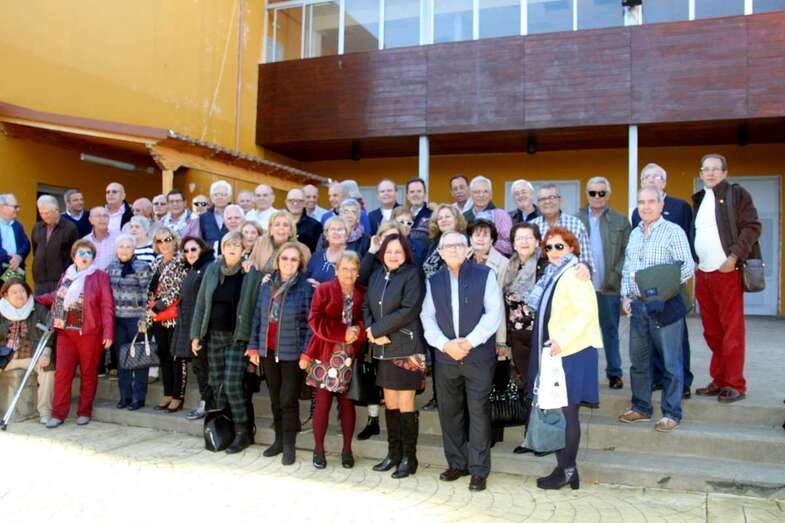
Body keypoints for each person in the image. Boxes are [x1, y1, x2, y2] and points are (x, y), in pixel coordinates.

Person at [420, 231, 501, 492]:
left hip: (477, 357)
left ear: (468, 250)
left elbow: (493, 314)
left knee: (478, 413)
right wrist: (445, 345)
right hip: (446, 358)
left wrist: (469, 343)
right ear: (440, 253)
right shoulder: (434, 281)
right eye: (448, 246)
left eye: (459, 245)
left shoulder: (485, 275)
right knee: (449, 412)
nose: (454, 249)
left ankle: (478, 470)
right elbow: (427, 317)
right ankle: (457, 463)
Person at [527, 226, 601, 490]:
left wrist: (562, 340)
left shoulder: (575, 274)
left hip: (573, 352)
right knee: (560, 412)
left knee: (568, 413)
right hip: (558, 353)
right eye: (549, 247)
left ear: (572, 248)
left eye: (560, 246)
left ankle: (567, 470)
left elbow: (586, 313)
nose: (554, 251)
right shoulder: (552, 274)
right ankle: (567, 470)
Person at [618, 187, 695, 433]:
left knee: (671, 363)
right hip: (638, 307)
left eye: (652, 201)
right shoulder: (635, 234)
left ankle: (671, 413)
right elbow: (628, 267)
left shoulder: (673, 231)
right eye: (641, 202)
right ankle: (641, 407)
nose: (646, 206)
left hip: (665, 305)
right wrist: (626, 296)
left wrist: (660, 291)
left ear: (662, 205)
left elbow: (687, 267)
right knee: (639, 362)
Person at [692, 154, 761, 403]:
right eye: (706, 169)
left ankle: (735, 383)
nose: (710, 173)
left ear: (725, 172)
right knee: (712, 332)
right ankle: (719, 380)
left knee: (732, 330)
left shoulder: (737, 194)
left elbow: (752, 226)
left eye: (715, 169)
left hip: (727, 271)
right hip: (704, 273)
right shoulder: (699, 198)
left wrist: (733, 257)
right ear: (701, 174)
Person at [364, 234, 425, 479]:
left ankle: (410, 458)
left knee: (405, 402)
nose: (393, 255)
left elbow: (409, 309)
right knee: (389, 402)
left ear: (406, 253)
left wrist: (377, 330)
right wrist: (371, 331)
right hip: (383, 348)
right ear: (382, 253)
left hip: (407, 347)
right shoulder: (377, 274)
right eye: (389, 251)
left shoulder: (413, 274)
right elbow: (366, 306)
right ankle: (394, 454)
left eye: (398, 251)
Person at [246, 242, 313, 465]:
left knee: (288, 399)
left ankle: (289, 445)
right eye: (285, 258)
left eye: (294, 259)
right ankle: (278, 440)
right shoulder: (267, 285)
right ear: (277, 260)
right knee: (275, 398)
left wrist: (306, 353)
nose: (288, 263)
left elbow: (309, 324)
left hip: (292, 352)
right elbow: (258, 316)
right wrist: (254, 346)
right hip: (268, 349)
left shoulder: (304, 288)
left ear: (300, 263)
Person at [300, 251, 366, 469]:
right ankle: (318, 450)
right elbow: (314, 320)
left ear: (358, 272)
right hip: (325, 354)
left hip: (349, 358)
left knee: (347, 404)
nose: (349, 273)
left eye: (353, 269)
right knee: (322, 404)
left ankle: (347, 450)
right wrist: (342, 332)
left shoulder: (362, 293)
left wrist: (357, 331)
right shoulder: (324, 289)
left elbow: (366, 320)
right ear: (336, 270)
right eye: (344, 269)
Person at [37, 239, 114, 428]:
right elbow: (57, 296)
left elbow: (107, 305)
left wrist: (108, 331)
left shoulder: (100, 276)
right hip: (65, 332)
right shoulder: (67, 275)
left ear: (93, 257)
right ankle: (58, 413)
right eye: (81, 253)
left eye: (88, 253)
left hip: (89, 333)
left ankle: (84, 411)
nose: (84, 256)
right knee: (63, 373)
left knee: (88, 373)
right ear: (74, 257)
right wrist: (35, 299)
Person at [633, 163, 695, 395]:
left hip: (670, 292)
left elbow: (688, 248)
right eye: (646, 177)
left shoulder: (680, 207)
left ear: (665, 182)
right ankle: (657, 378)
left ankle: (683, 383)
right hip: (645, 291)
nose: (651, 180)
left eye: (656, 176)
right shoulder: (637, 214)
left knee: (675, 341)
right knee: (650, 337)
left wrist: (673, 283)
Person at [190, 232, 252, 453]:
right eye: (228, 245)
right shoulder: (212, 269)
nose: (232, 248)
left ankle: (243, 432)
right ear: (222, 248)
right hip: (213, 335)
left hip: (237, 337)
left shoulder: (249, 272)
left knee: (232, 384)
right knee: (216, 384)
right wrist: (196, 335)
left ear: (244, 249)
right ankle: (224, 429)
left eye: (237, 245)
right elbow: (201, 304)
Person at [578, 177, 631, 389]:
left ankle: (614, 373)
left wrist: (615, 275)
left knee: (610, 331)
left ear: (608, 195)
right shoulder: (575, 219)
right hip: (583, 288)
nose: (597, 197)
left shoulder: (620, 220)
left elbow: (627, 251)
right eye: (593, 193)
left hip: (609, 286)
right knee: (583, 332)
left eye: (602, 193)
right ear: (587, 194)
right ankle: (585, 374)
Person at [501, 222, 548, 454]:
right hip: (517, 336)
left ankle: (542, 439)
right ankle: (530, 438)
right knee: (526, 386)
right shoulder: (509, 265)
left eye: (529, 237)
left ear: (538, 241)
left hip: (540, 336)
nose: (524, 242)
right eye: (519, 238)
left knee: (541, 386)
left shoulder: (545, 265)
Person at [144, 227, 188, 413]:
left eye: (167, 239)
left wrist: (157, 308)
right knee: (164, 356)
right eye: (159, 241)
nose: (164, 244)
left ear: (175, 240)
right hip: (156, 318)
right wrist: (149, 311)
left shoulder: (181, 262)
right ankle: (168, 393)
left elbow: (178, 290)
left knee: (176, 357)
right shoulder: (156, 263)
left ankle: (178, 396)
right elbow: (150, 290)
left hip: (173, 317)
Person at [106, 234, 152, 410]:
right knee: (122, 358)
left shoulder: (142, 266)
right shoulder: (111, 267)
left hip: (136, 318)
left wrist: (144, 319)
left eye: (128, 246)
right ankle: (125, 396)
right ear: (116, 249)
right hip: (118, 319)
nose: (124, 250)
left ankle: (139, 397)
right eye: (121, 246)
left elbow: (148, 295)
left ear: (134, 249)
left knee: (139, 358)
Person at [0, 278, 55, 424]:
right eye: (14, 292)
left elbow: (50, 334)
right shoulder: (1, 310)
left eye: (22, 291)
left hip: (30, 353)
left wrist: (46, 353)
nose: (19, 295)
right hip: (5, 354)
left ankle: (45, 411)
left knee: (47, 368)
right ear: (6, 295)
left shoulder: (39, 309)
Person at [171, 236, 214, 421]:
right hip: (188, 324)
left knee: (204, 369)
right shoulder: (193, 269)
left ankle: (207, 404)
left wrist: (200, 332)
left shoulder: (208, 268)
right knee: (199, 368)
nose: (189, 253)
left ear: (202, 249)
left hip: (202, 328)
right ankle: (207, 403)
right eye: (186, 250)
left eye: (193, 249)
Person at [530, 185, 594, 271]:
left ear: (560, 200)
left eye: (552, 197)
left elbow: (586, 260)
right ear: (538, 204)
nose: (547, 201)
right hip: (539, 277)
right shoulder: (531, 226)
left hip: (570, 276)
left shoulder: (576, 224)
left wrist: (584, 268)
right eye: (542, 199)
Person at [31, 195, 79, 295]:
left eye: (47, 213)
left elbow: (75, 255)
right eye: (41, 213)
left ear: (57, 210)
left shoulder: (70, 228)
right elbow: (35, 251)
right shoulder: (37, 227)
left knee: (57, 305)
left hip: (60, 279)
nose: (44, 216)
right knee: (40, 305)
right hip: (39, 279)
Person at [463, 176, 513, 255]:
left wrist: (490, 241)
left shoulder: (501, 216)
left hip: (497, 260)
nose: (481, 195)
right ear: (470, 194)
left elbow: (510, 246)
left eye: (485, 191)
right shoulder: (463, 217)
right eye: (477, 192)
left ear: (491, 194)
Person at [423, 204, 467, 280]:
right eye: (440, 218)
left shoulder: (463, 241)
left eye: (447, 216)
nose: (444, 220)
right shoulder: (435, 242)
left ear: (456, 219)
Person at [248, 210, 297, 275]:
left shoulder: (298, 249)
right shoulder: (261, 241)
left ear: (291, 231)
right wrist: (249, 263)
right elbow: (251, 261)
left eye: (285, 225)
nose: (281, 228)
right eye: (277, 225)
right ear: (271, 230)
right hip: (259, 280)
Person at [307, 216, 349, 283]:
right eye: (332, 229)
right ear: (326, 235)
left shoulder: (351, 258)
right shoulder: (316, 256)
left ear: (346, 235)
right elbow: (305, 278)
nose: (336, 232)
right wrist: (308, 282)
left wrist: (321, 288)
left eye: (340, 229)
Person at [0, 193, 30, 275]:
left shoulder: (18, 225)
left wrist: (19, 257)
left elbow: (26, 244)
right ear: (2, 207)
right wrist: (10, 259)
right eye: (15, 207)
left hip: (15, 272)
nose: (18, 209)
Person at [285, 187, 322, 253]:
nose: (295, 203)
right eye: (291, 200)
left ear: (305, 203)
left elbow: (317, 251)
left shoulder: (315, 226)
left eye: (300, 201)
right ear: (286, 202)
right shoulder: (279, 223)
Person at [404, 178, 432, 265]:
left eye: (419, 191)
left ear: (425, 194)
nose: (415, 194)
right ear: (407, 195)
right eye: (412, 192)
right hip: (405, 262)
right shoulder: (402, 214)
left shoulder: (433, 213)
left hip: (425, 262)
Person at [199, 180, 232, 245]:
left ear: (229, 197)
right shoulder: (203, 217)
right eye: (216, 195)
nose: (219, 197)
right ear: (211, 197)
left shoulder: (237, 214)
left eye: (223, 195)